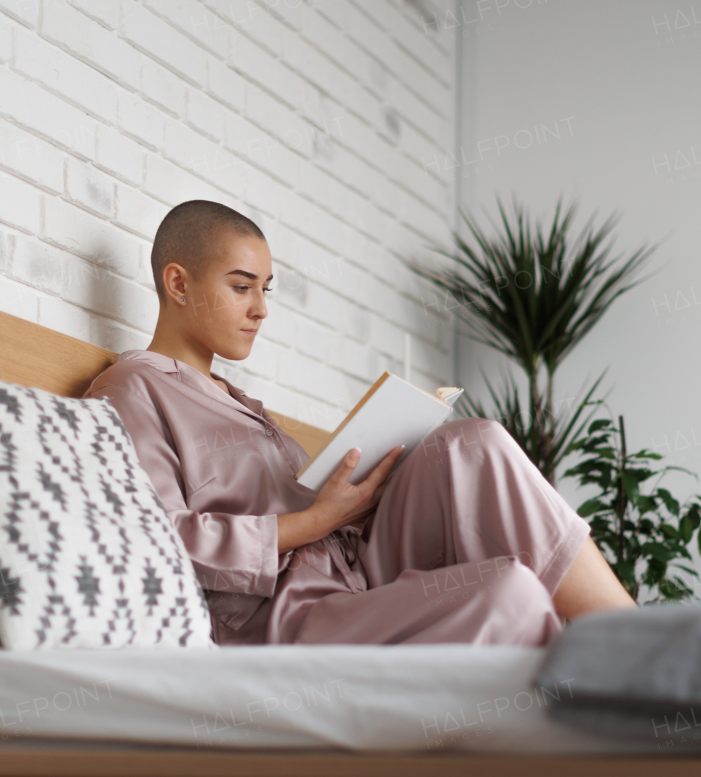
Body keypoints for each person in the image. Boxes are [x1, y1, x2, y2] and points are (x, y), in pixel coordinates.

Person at [84, 200, 635, 646]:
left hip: (353, 563)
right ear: (178, 285)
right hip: (292, 614)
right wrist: (315, 519)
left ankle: (638, 638)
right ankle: (629, 663)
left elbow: (319, 514)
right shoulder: (133, 387)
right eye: (241, 286)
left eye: (265, 289)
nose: (261, 309)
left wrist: (357, 496)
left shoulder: (241, 401)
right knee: (511, 591)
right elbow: (157, 537)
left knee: (472, 444)